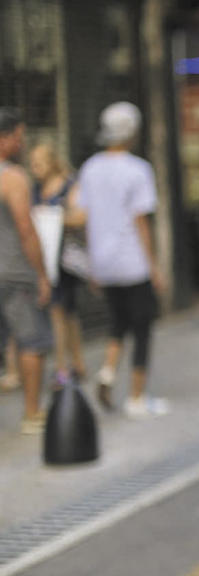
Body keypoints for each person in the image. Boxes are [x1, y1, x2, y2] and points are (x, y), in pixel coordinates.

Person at [75, 101, 167, 417]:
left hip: (102, 260)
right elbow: (141, 221)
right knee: (142, 327)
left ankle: (107, 372)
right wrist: (154, 266)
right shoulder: (138, 169)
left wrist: (92, 263)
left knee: (117, 322)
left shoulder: (89, 168)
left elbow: (86, 218)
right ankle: (137, 397)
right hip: (132, 260)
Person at [0, 107, 53, 434]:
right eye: (17, 137)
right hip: (13, 272)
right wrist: (42, 274)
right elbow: (25, 229)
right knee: (31, 339)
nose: (20, 143)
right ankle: (32, 413)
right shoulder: (13, 178)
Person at [29, 143, 87, 386]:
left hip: (65, 259)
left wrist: (54, 217)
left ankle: (65, 367)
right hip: (45, 257)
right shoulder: (35, 188)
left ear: (52, 162)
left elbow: (82, 216)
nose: (35, 169)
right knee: (59, 311)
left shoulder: (70, 184)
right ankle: (73, 364)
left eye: (39, 164)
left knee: (65, 312)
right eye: (32, 164)